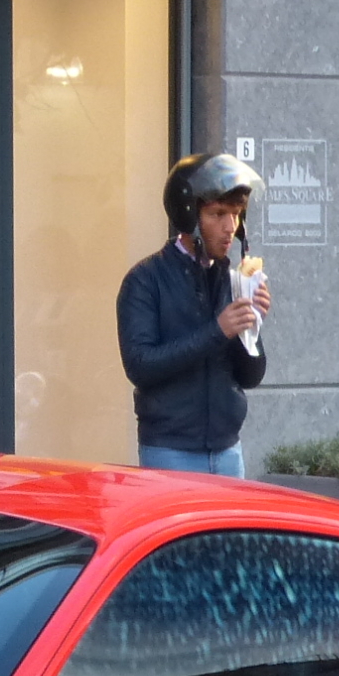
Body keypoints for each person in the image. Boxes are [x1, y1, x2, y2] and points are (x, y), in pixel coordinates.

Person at [117, 153, 271, 475]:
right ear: (188, 217)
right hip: (170, 450)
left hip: (228, 449)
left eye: (236, 214)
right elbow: (140, 365)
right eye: (217, 214)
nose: (230, 227)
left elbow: (250, 377)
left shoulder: (232, 279)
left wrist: (251, 330)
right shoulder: (146, 279)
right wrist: (218, 330)